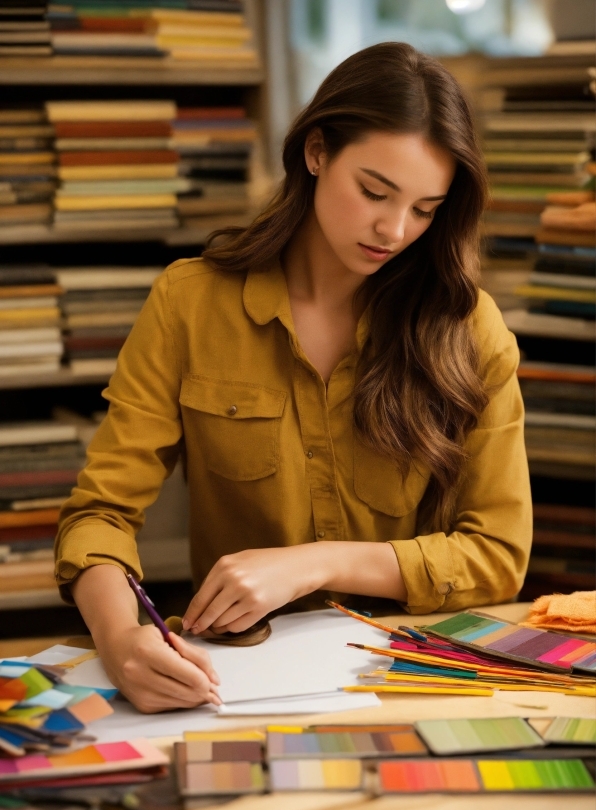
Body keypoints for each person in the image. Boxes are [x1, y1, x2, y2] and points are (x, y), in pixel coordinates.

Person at [55, 42, 532, 713]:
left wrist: (317, 560)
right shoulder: (190, 305)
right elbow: (99, 515)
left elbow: (498, 555)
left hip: (417, 683)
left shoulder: (470, 328)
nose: (394, 229)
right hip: (237, 687)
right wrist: (120, 638)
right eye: (374, 190)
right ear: (315, 152)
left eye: (425, 209)